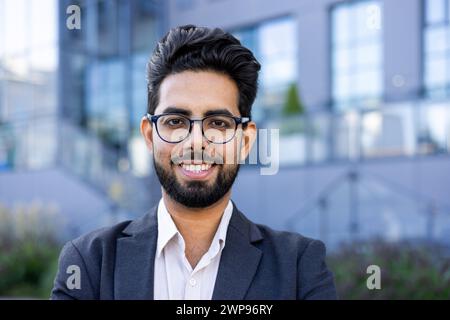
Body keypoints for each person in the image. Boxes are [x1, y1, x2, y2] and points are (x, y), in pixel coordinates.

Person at [51, 25, 337, 300]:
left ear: (245, 142)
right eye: (176, 121)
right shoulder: (89, 263)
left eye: (218, 123)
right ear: (149, 136)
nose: (196, 141)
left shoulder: (300, 269)